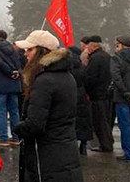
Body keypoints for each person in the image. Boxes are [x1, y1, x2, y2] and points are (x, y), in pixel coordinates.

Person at [14, 30, 83, 182]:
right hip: (65, 149)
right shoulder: (67, 75)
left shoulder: (44, 81)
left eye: (30, 49)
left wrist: (17, 128)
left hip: (46, 153)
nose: (26, 54)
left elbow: (35, 125)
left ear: (42, 51)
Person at [0, 29, 23, 147]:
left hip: (1, 84)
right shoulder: (13, 49)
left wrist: (9, 72)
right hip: (14, 83)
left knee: (1, 111)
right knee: (14, 111)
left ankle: (3, 138)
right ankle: (16, 136)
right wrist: (15, 72)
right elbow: (18, 63)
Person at [81, 35, 114, 152]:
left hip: (97, 94)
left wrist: (87, 90)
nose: (87, 49)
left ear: (93, 46)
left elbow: (91, 77)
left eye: (88, 46)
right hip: (106, 93)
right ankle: (108, 142)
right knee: (105, 119)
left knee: (100, 121)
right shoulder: (106, 56)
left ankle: (105, 145)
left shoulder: (95, 58)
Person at [68, 46, 93, 155]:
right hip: (82, 94)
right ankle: (83, 144)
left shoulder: (67, 67)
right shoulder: (83, 67)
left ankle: (71, 144)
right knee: (83, 120)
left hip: (70, 94)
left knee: (71, 120)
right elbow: (88, 82)